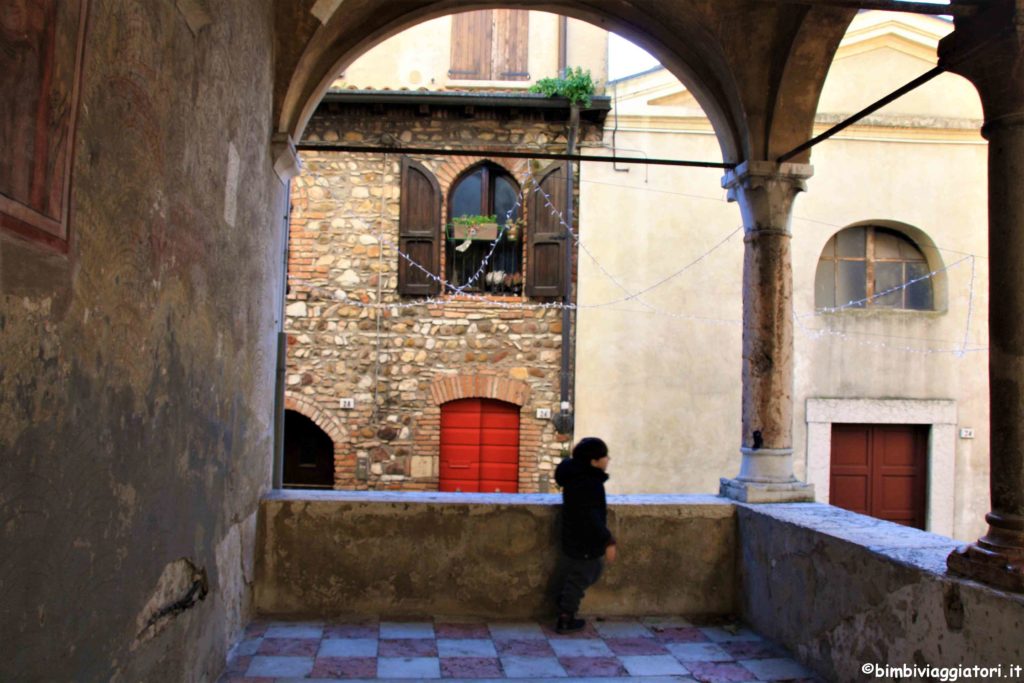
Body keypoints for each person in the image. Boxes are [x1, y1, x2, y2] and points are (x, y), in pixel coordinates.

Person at [553, 436, 617, 633]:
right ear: (594, 461)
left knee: (585, 574)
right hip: (585, 539)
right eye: (604, 456)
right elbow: (591, 515)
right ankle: (565, 616)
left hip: (574, 535)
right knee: (581, 577)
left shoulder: (576, 477)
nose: (608, 460)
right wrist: (608, 540)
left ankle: (564, 603)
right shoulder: (589, 483)